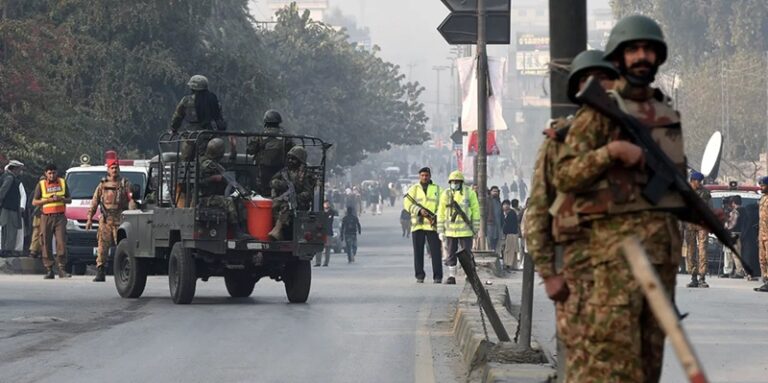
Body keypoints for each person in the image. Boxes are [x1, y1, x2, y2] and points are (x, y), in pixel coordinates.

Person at [554, 16, 688, 381]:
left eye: (649, 49)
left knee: (649, 368)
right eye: (633, 50)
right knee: (614, 369)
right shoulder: (598, 112)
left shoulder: (666, 114)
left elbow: (673, 185)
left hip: (660, 262)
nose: (642, 56)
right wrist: (610, 153)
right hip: (614, 261)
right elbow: (564, 174)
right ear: (619, 58)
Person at [526, 49, 619, 382]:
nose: (598, 86)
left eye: (605, 79)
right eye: (588, 80)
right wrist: (548, 273)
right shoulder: (560, 140)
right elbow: (538, 211)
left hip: (630, 278)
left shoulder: (634, 135)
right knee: (582, 366)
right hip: (580, 276)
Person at [85, 158, 136, 282]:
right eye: (112, 168)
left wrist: (132, 214)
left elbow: (131, 200)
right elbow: (94, 202)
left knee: (124, 248)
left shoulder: (125, 184)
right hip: (106, 220)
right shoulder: (102, 185)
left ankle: (126, 271)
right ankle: (100, 271)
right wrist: (89, 219)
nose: (114, 170)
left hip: (121, 220)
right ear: (108, 169)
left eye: (116, 168)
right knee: (102, 247)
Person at [198, 138, 252, 240]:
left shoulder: (213, 163)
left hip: (215, 196)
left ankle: (244, 230)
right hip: (204, 198)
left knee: (238, 198)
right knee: (228, 201)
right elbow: (199, 182)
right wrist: (212, 178)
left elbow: (227, 170)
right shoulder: (206, 164)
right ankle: (237, 232)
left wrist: (233, 149)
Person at [437, 170, 479, 285]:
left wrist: (476, 228)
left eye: (457, 181)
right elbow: (441, 212)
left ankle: (468, 276)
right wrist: (440, 231)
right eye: (453, 182)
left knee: (467, 254)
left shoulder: (469, 193)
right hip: (450, 231)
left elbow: (476, 211)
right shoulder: (446, 194)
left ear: (461, 182)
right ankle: (452, 276)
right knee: (451, 254)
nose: (454, 183)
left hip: (466, 230)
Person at [403, 167, 443, 284]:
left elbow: (443, 204)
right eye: (422, 175)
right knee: (418, 252)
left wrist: (435, 216)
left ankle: (438, 276)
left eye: (426, 175)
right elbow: (407, 204)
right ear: (419, 176)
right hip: (418, 225)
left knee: (436, 252)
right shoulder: (413, 189)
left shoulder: (437, 189)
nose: (424, 177)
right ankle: (419, 275)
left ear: (430, 176)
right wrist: (419, 211)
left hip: (432, 225)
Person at [32, 164, 71, 279]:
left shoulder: (62, 182)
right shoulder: (41, 184)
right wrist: (47, 200)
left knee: (61, 242)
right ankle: (49, 269)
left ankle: (62, 269)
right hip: (46, 217)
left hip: (60, 217)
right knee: (45, 242)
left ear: (57, 172)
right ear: (45, 174)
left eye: (54, 173)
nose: (52, 175)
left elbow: (69, 199)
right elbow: (34, 202)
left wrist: (61, 199)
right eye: (49, 173)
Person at [269, 146, 316, 241]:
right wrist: (281, 185)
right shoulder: (284, 172)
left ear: (300, 161)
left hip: (299, 204)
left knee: (286, 206)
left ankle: (277, 230)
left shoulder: (306, 175)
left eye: (294, 159)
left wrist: (296, 197)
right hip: (283, 198)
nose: (290, 161)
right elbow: (272, 182)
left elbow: (308, 194)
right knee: (271, 205)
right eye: (289, 158)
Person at [247, 110, 295, 197]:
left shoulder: (261, 135)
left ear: (266, 122)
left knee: (262, 193)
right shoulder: (285, 136)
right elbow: (293, 150)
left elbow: (250, 150)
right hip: (280, 171)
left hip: (263, 172)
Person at [682, 171, 711, 288]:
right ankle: (693, 277)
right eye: (698, 181)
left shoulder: (705, 193)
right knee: (690, 251)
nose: (700, 183)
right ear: (692, 181)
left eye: (700, 181)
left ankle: (702, 277)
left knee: (703, 250)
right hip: (689, 225)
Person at [0, 160, 24, 254]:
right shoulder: (10, 178)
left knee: (6, 229)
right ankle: (8, 249)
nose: (20, 171)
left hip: (7, 207)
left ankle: (5, 249)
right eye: (19, 169)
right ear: (14, 169)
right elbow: (2, 192)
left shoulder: (5, 176)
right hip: (9, 208)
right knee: (11, 229)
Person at [723, 195, 747, 278]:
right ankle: (734, 271)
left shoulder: (735, 212)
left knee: (730, 254)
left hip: (733, 234)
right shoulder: (744, 211)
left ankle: (737, 271)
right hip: (738, 234)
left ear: (733, 203)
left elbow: (730, 225)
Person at [27, 175, 46, 259]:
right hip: (40, 215)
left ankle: (36, 251)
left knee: (39, 234)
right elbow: (30, 204)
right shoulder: (38, 192)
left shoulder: (36, 192)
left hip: (43, 215)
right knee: (39, 233)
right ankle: (36, 251)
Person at [500, 199, 520, 270]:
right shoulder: (508, 213)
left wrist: (504, 232)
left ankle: (508, 265)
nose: (505, 206)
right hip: (511, 234)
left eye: (506, 204)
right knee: (511, 251)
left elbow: (508, 226)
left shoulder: (511, 214)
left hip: (510, 234)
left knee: (509, 251)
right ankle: (512, 265)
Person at [316, 200, 337, 267]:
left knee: (327, 248)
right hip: (321, 232)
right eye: (325, 203)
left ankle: (326, 262)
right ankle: (318, 262)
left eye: (328, 204)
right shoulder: (320, 212)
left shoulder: (331, 212)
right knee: (319, 248)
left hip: (328, 232)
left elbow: (334, 213)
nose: (326, 205)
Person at [757, 177, 768, 292]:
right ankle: (765, 280)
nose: (761, 187)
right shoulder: (763, 198)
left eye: (763, 185)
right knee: (762, 258)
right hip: (762, 234)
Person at [486, 186, 503, 251]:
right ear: (490, 192)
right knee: (490, 240)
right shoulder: (488, 201)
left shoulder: (499, 201)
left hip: (498, 225)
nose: (495, 193)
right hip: (490, 224)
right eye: (494, 191)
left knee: (497, 240)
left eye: (496, 191)